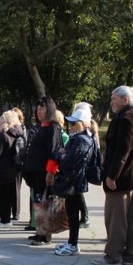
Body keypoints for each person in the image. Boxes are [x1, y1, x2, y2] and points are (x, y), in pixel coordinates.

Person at [91, 85, 133, 265]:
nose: (111, 102)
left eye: (114, 99)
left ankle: (113, 257)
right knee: (132, 218)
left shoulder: (125, 118)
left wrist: (112, 175)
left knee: (116, 219)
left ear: (125, 100)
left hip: (122, 179)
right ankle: (129, 255)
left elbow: (122, 151)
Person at [51, 107, 98, 256]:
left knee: (73, 213)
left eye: (74, 123)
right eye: (70, 123)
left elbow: (67, 161)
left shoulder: (82, 140)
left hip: (74, 181)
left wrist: (61, 155)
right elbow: (62, 154)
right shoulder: (80, 138)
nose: (70, 126)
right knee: (72, 212)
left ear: (84, 124)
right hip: (75, 180)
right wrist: (62, 154)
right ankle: (72, 242)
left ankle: (73, 244)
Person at [21, 96, 63, 244]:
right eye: (37, 109)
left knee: (45, 203)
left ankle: (45, 235)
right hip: (34, 172)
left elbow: (54, 152)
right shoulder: (40, 127)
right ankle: (40, 231)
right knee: (38, 202)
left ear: (49, 109)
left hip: (44, 173)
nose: (39, 111)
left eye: (42, 108)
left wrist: (50, 173)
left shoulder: (53, 127)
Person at [0, 110, 24, 227]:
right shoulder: (18, 133)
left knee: (3, 195)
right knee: (8, 194)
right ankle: (4, 217)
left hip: (2, 169)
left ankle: (5, 220)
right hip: (13, 168)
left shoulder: (3, 135)